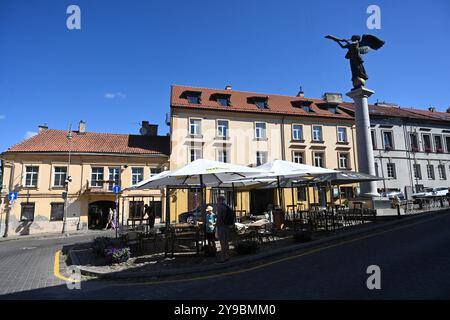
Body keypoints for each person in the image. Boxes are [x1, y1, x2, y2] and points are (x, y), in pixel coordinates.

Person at [216, 196, 231, 262]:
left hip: (221, 226)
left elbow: (219, 218)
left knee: (222, 243)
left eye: (217, 200)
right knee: (226, 242)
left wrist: (216, 225)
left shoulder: (220, 207)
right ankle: (227, 256)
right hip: (227, 226)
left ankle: (223, 258)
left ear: (219, 200)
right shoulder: (227, 206)